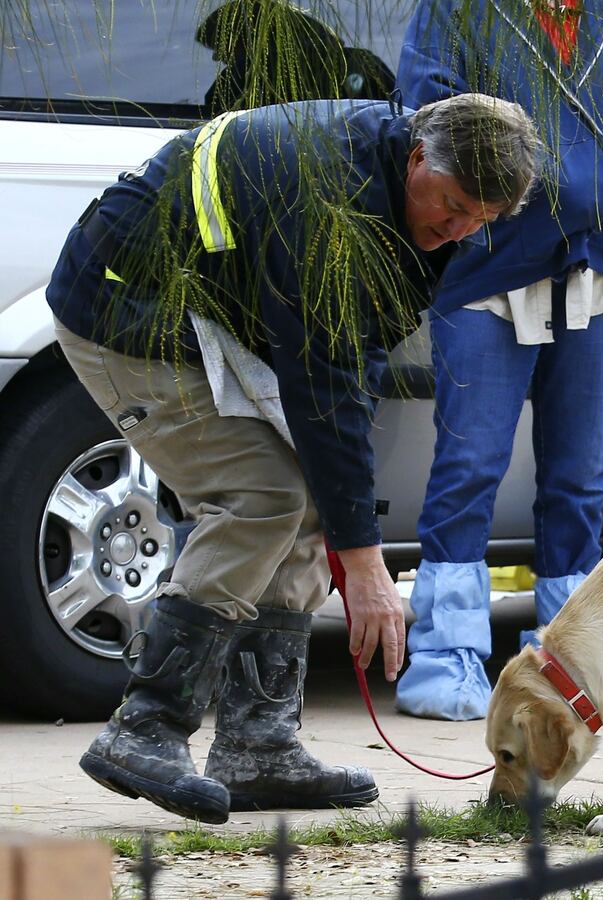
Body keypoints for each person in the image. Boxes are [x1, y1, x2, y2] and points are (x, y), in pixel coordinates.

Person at [49, 93, 540, 823]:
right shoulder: (331, 200)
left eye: (484, 219)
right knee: (262, 497)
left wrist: (350, 522)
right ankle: (146, 727)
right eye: (455, 203)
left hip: (213, 313)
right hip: (126, 308)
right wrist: (366, 562)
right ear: (416, 159)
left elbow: (354, 368)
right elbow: (324, 378)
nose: (462, 228)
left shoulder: (400, 202)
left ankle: (259, 746)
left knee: (313, 490)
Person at [394, 0, 603, 720]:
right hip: (489, 257)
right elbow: (430, 105)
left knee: (580, 476)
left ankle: (570, 662)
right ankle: (446, 653)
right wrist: (546, 178)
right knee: (469, 464)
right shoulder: (457, 9)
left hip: (601, 260)